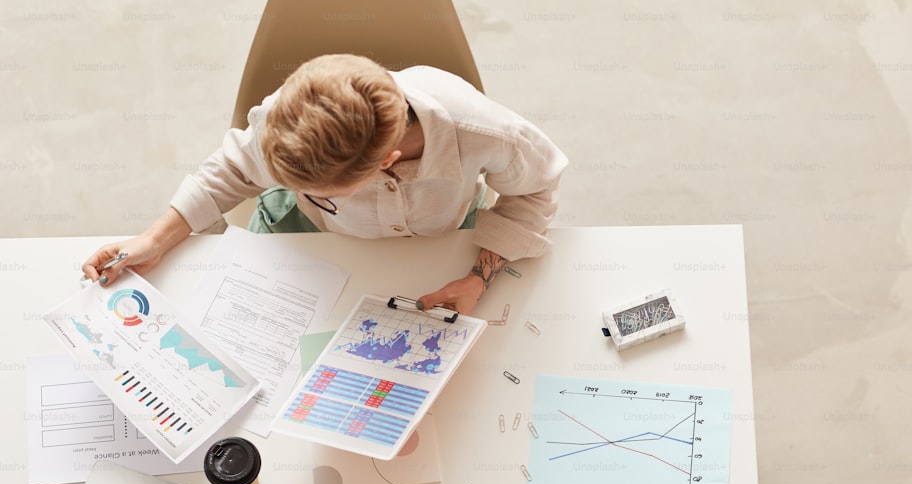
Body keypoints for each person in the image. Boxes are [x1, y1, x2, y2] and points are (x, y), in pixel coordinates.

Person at [82, 54, 568, 315]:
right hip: (307, 239)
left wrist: (481, 274)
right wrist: (152, 240)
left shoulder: (488, 134)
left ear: (387, 162)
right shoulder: (285, 117)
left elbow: (538, 187)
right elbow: (234, 169)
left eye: (323, 189)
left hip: (441, 241)